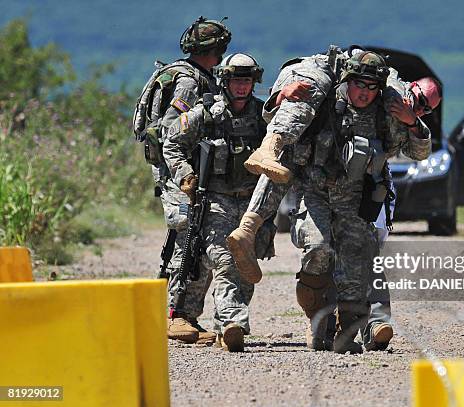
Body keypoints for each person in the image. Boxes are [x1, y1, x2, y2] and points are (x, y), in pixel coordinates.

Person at [227, 50, 441, 352]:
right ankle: (317, 323)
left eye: (371, 87)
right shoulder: (324, 98)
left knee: (355, 270)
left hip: (355, 197)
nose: (364, 93)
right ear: (347, 80)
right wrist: (280, 98)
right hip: (315, 190)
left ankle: (346, 333)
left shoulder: (388, 111)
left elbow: (420, 153)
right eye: (359, 84)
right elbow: (277, 114)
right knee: (318, 252)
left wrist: (412, 122)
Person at [163, 53, 267, 352]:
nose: (242, 87)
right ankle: (231, 323)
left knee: (247, 267)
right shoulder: (205, 114)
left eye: (246, 81)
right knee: (225, 258)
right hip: (216, 201)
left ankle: (226, 327)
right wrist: (185, 176)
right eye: (236, 80)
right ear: (225, 81)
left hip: (250, 204)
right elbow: (172, 143)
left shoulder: (262, 117)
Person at [141, 17, 231, 345]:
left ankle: (186, 314)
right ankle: (174, 315)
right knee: (187, 234)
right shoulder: (190, 82)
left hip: (188, 169)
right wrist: (185, 173)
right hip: (179, 170)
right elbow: (170, 130)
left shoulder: (190, 73)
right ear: (213, 50)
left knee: (195, 235)